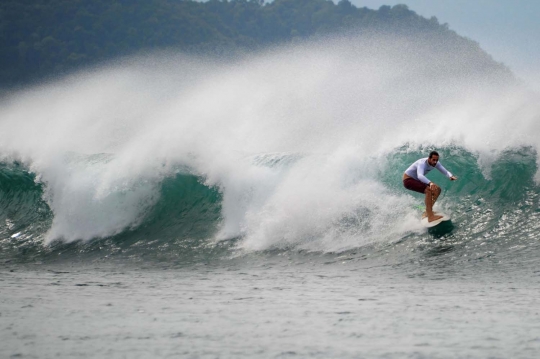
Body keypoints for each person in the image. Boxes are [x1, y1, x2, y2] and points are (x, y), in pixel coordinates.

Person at [403, 151, 457, 222]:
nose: (435, 162)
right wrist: (430, 183)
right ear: (429, 158)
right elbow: (420, 175)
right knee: (428, 190)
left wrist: (450, 176)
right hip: (408, 180)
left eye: (436, 160)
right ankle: (430, 217)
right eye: (433, 160)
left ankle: (427, 212)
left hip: (416, 180)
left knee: (437, 189)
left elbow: (446, 172)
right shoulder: (422, 163)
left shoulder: (436, 163)